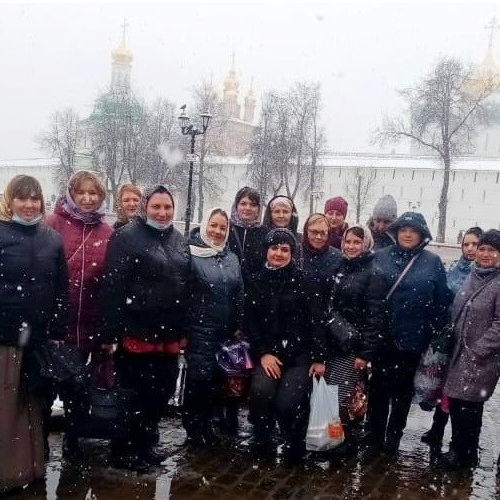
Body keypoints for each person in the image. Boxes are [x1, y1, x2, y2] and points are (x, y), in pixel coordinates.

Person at [99, 185, 190, 472]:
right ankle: (124, 449)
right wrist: (109, 333)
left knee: (161, 390)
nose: (162, 212)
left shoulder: (178, 239)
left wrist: (183, 329)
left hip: (168, 333)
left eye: (167, 207)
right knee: (133, 394)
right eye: (156, 206)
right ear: (145, 208)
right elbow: (113, 286)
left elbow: (185, 285)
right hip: (136, 330)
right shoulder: (126, 236)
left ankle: (146, 442)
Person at [0, 175, 68, 494]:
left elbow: (60, 289)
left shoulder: (52, 239)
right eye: (21, 198)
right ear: (9, 200)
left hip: (37, 341)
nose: (28, 205)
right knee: (6, 408)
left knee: (34, 406)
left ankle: (30, 467)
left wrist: (57, 328)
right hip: (4, 339)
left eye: (34, 198)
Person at [368, 212, 452, 455]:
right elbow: (370, 296)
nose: (407, 234)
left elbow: (441, 301)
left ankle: (394, 436)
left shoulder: (432, 262)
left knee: (402, 390)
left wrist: (431, 331)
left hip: (413, 339)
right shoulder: (380, 256)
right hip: (382, 337)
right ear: (395, 232)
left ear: (421, 234)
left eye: (413, 231)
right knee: (378, 388)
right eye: (403, 229)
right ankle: (374, 435)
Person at [46, 170, 113, 458]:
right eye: (81, 192)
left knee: (80, 388)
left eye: (93, 193)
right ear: (71, 194)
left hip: (89, 324)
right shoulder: (53, 224)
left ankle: (73, 439)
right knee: (47, 387)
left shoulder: (107, 233)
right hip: (56, 325)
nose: (87, 198)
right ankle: (39, 443)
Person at [245, 228, 326, 463]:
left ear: (292, 253)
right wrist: (263, 352)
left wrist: (319, 357)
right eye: (274, 248)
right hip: (269, 353)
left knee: (288, 402)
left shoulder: (304, 281)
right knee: (261, 391)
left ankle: (294, 438)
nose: (278, 254)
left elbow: (317, 320)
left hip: (299, 355)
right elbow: (250, 322)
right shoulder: (256, 281)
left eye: (284, 249)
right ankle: (262, 434)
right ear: (266, 250)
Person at [182, 207, 244, 446]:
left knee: (216, 382)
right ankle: (193, 428)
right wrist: (183, 330)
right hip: (199, 331)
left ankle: (207, 426)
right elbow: (184, 294)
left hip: (225, 332)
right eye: (213, 225)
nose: (217, 231)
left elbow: (239, 293)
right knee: (198, 380)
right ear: (205, 225)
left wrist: (238, 324)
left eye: (222, 227)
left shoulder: (231, 258)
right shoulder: (190, 254)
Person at [441, 230, 500, 470]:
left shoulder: (497, 283)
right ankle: (463, 451)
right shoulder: (473, 275)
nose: (485, 254)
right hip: (459, 353)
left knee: (469, 405)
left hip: (480, 357)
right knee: (458, 402)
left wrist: (478, 350)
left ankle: (462, 453)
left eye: (492, 250)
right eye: (482, 249)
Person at [421, 226, 483, 447]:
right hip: (449, 338)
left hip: (471, 343)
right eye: (466, 244)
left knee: (464, 392)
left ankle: (465, 442)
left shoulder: (485, 274)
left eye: (475, 244)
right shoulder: (454, 269)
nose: (470, 249)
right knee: (444, 386)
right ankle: (437, 429)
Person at [324, 225, 388, 430]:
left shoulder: (374, 273)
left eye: (357, 242)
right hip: (334, 340)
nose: (351, 246)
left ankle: (342, 437)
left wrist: (364, 354)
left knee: (344, 396)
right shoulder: (341, 266)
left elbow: (375, 317)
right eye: (348, 241)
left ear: (366, 244)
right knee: (330, 392)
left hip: (352, 346)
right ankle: (330, 434)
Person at [301, 213, 342, 310]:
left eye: (323, 232)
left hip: (325, 313)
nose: (318, 237)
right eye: (314, 232)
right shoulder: (295, 253)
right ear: (306, 232)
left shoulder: (337, 257)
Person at [228, 186, 268, 278]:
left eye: (253, 204)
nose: (248, 208)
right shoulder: (225, 229)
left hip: (255, 285)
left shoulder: (265, 233)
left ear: (259, 208)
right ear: (236, 206)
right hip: (228, 283)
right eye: (243, 203)